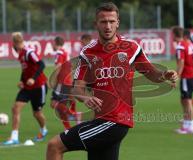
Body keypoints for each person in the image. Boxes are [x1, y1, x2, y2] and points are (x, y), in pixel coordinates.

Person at [46, 2, 178, 160]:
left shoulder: (131, 48)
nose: (108, 26)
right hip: (100, 119)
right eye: (103, 22)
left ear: (118, 23)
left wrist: (164, 75)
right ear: (96, 24)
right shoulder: (88, 53)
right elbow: (77, 89)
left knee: (54, 146)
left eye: (111, 21)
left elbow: (152, 74)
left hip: (115, 121)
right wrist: (86, 97)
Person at [3, 32, 48, 145]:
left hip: (39, 86)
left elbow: (42, 64)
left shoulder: (29, 52)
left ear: (16, 42)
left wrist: (33, 78)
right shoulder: (20, 54)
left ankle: (43, 130)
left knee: (37, 113)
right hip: (27, 87)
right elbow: (25, 70)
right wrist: (22, 81)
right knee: (16, 108)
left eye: (14, 43)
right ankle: (14, 137)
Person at [172, 27, 193, 134]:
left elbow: (181, 63)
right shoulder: (192, 45)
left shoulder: (181, 46)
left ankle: (189, 126)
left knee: (187, 101)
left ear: (175, 35)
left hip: (186, 77)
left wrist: (176, 77)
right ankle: (186, 125)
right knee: (184, 100)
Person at [50, 36, 77, 130]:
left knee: (54, 104)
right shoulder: (65, 52)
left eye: (53, 43)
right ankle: (68, 128)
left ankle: (74, 115)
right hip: (68, 81)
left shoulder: (59, 53)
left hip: (62, 83)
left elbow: (58, 67)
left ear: (55, 43)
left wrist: (52, 80)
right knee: (62, 105)